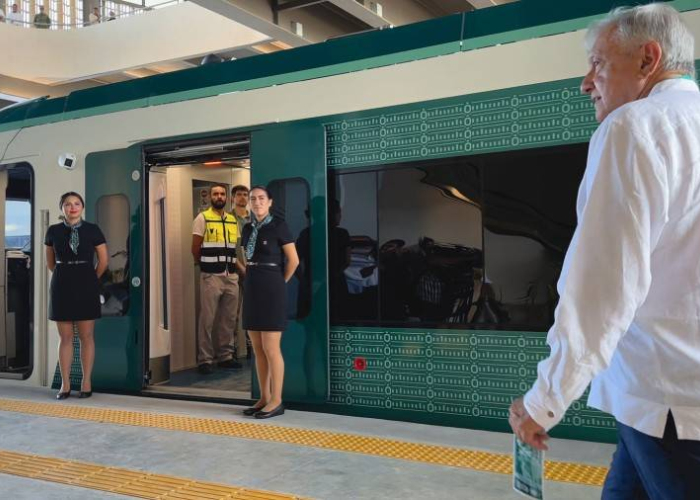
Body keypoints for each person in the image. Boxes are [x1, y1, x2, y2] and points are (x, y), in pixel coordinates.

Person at [508, 4, 700, 499]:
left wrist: (545, 398)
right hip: (665, 404)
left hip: (669, 406)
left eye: (599, 62)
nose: (586, 82)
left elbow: (603, 286)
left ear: (648, 59)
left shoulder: (635, 127)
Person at [240, 186, 299, 419]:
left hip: (272, 286)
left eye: (261, 198)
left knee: (271, 348)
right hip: (253, 286)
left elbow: (293, 261)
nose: (256, 202)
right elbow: (247, 258)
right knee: (257, 348)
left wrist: (280, 283)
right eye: (253, 199)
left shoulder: (279, 226)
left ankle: (277, 400)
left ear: (270, 202)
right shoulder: (247, 228)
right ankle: (263, 397)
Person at [45, 192, 108, 399]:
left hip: (86, 285)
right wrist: (67, 275)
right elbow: (51, 264)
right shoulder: (53, 231)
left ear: (82, 207)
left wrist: (91, 279)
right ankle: (65, 384)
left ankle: (86, 382)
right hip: (61, 285)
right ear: (61, 207)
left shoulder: (93, 230)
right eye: (68, 204)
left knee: (86, 337)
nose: (72, 208)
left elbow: (103, 261)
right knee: (65, 338)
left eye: (77, 204)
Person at [191, 184, 241, 374]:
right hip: (211, 276)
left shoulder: (231, 220)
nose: (219, 196)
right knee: (207, 319)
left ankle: (225, 356)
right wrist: (204, 266)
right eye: (215, 194)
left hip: (231, 276)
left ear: (227, 197)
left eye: (222, 194)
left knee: (228, 318)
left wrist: (239, 270)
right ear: (210, 197)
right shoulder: (202, 218)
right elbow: (195, 248)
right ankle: (205, 359)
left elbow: (235, 249)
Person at [231, 185, 250, 358]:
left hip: (253, 271)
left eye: (245, 195)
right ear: (233, 198)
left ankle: (252, 349)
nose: (243, 198)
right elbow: (229, 248)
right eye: (239, 195)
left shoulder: (253, 219)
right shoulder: (228, 218)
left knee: (252, 311)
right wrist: (241, 267)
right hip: (234, 270)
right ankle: (234, 350)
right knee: (233, 314)